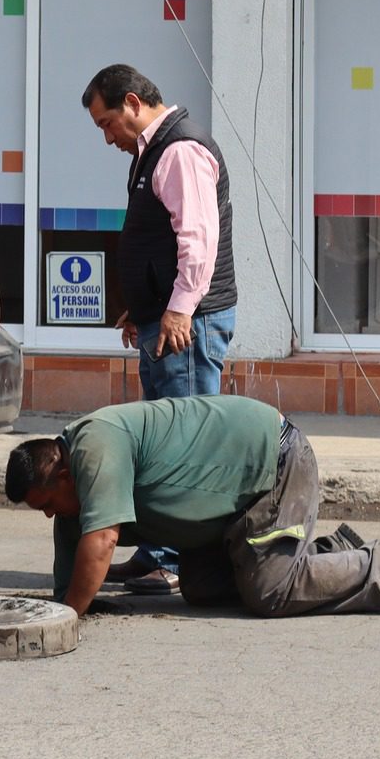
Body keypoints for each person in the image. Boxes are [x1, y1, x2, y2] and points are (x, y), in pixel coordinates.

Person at [5, 395, 380, 619]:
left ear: (61, 471)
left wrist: (68, 619)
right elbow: (71, 542)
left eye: (46, 504)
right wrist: (64, 600)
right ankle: (328, 554)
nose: (49, 515)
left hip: (272, 465)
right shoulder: (71, 481)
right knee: (198, 586)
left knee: (270, 594)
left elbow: (102, 541)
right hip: (232, 506)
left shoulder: (95, 447)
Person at [80, 63, 236, 595]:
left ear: (131, 102)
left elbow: (197, 240)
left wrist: (177, 311)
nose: (106, 138)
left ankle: (175, 559)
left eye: (106, 124)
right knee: (164, 435)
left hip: (187, 326)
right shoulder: (153, 149)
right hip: (167, 320)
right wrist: (145, 307)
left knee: (184, 439)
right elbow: (158, 238)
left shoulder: (179, 149)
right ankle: (160, 552)